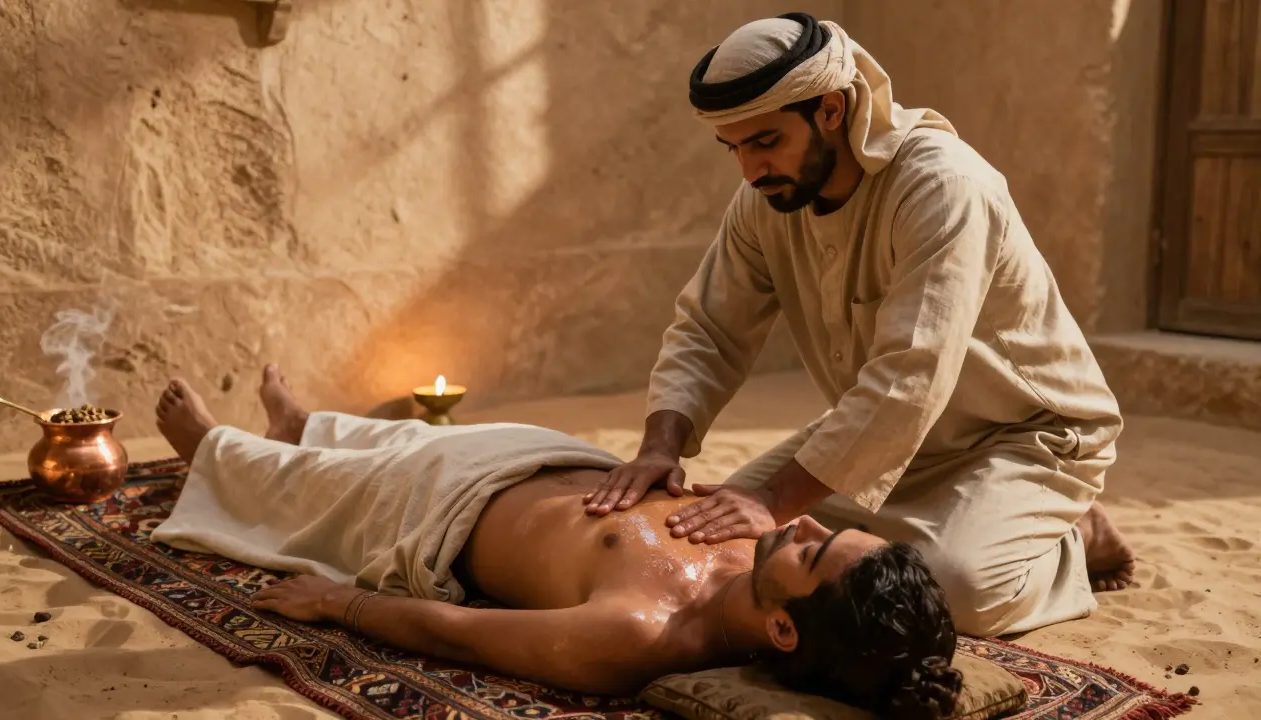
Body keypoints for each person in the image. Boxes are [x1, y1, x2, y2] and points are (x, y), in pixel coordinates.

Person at [585, 13, 1137, 639]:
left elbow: (912, 372)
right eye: (733, 147)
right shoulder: (767, 202)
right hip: (884, 432)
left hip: (1025, 435)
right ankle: (958, 526)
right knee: (720, 544)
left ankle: (1071, 538)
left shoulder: (942, 186)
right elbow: (710, 327)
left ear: (830, 109)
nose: (749, 170)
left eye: (765, 141)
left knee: (948, 594)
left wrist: (772, 502)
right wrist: (661, 448)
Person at [149, 366, 964, 718]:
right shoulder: (761, 559)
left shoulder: (641, 632)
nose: (808, 523)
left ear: (784, 629)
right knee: (385, 439)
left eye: (812, 551)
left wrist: (338, 602)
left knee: (309, 490)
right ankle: (304, 425)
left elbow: (458, 631)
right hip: (546, 457)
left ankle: (217, 451)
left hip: (433, 516)